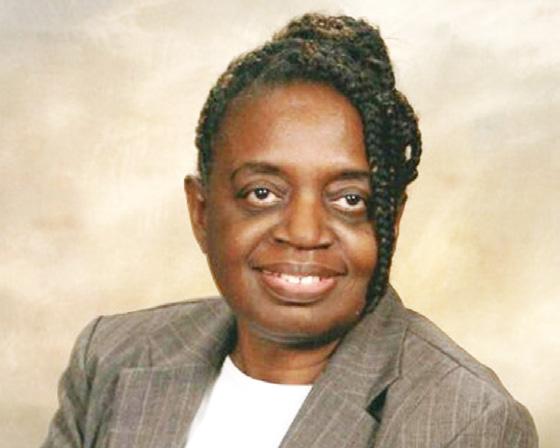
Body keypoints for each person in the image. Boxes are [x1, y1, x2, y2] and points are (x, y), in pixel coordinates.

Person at [42, 13, 538, 448]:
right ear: (202, 212)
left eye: (349, 199)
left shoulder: (464, 421)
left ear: (390, 221)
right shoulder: (112, 357)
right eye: (262, 193)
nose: (303, 232)